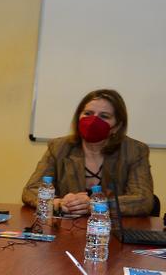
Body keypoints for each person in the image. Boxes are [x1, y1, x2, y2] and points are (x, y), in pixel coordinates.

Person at [21, 89, 154, 217]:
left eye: (104, 116)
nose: (93, 121)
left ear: (117, 126)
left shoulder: (134, 150)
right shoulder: (59, 147)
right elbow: (31, 190)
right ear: (78, 117)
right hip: (66, 231)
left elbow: (143, 200)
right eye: (88, 113)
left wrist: (94, 205)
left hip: (109, 232)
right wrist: (58, 203)